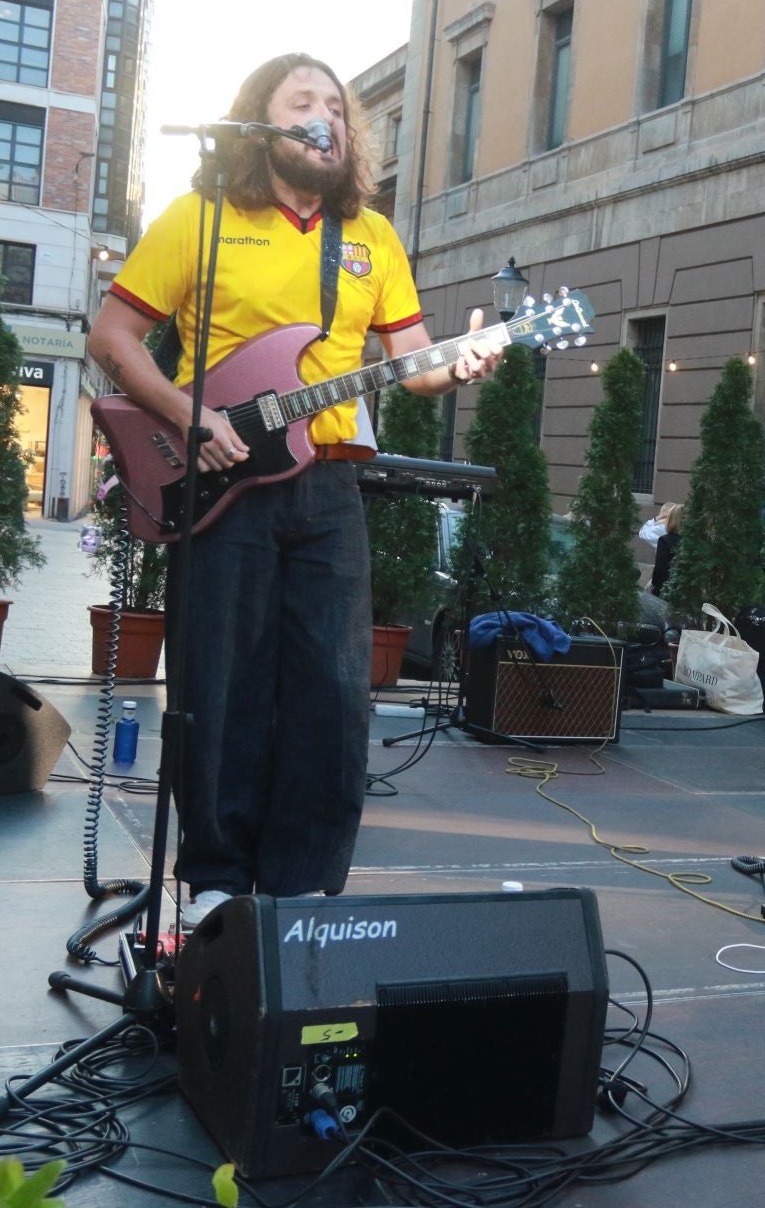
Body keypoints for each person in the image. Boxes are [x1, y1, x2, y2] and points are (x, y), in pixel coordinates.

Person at [88, 54, 503, 925]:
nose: (326, 117)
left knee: (334, 690)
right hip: (221, 482)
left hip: (330, 489)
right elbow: (115, 335)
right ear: (262, 121)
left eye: (338, 108)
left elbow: (412, 365)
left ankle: (302, 886)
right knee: (221, 685)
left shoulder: (373, 239)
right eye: (303, 102)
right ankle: (213, 883)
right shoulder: (202, 219)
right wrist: (188, 416)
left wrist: (459, 364)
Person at [649, 502, 683, 597]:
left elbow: (660, 568)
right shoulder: (694, 541)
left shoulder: (665, 540)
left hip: (667, 589)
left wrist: (655, 586)